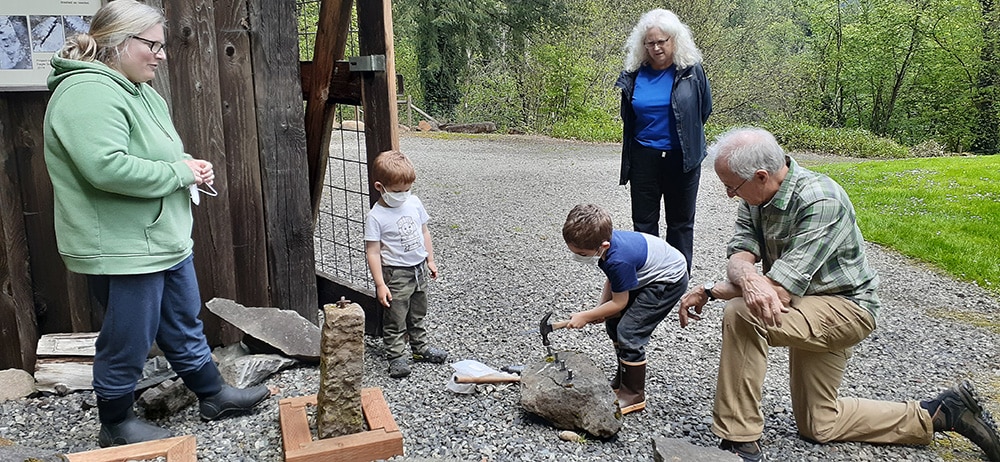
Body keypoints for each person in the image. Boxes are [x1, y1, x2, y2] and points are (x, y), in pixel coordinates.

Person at [678, 127, 1000, 462]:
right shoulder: (757, 197)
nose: (729, 195)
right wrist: (747, 276)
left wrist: (712, 290)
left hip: (846, 309)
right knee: (820, 425)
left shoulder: (821, 200)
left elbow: (777, 293)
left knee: (744, 313)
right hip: (806, 306)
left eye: (732, 186)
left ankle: (738, 441)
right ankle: (940, 413)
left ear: (761, 176)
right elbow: (740, 254)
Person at [43, 0, 270, 448]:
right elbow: (105, 167)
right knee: (128, 338)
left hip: (160, 238)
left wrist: (186, 163)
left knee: (183, 321)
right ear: (118, 43)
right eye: (153, 45)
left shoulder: (140, 89)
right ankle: (116, 423)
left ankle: (212, 394)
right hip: (123, 246)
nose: (161, 55)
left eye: (162, 46)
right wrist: (179, 174)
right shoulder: (87, 91)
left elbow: (155, 154)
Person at [562, 204, 688, 414]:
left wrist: (586, 315)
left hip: (667, 281)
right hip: (647, 273)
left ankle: (634, 394)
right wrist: (602, 309)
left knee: (630, 331)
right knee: (614, 322)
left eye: (582, 253)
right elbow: (613, 282)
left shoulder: (618, 259)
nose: (578, 256)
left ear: (603, 245)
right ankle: (623, 380)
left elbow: (619, 302)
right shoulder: (607, 250)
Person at [615, 8, 713, 274]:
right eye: (651, 43)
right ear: (642, 45)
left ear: (674, 40)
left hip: (682, 157)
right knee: (644, 222)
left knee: (680, 222)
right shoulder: (634, 73)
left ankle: (677, 277)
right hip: (644, 156)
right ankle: (649, 273)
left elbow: (703, 111)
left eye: (662, 41)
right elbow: (630, 117)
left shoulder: (692, 71)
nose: (657, 47)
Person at [364, 150, 448, 379]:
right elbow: (372, 251)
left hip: (419, 268)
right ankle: (396, 356)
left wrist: (430, 259)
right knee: (395, 316)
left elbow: (424, 231)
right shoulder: (376, 217)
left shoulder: (414, 202)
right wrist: (380, 284)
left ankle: (419, 349)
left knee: (418, 311)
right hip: (396, 273)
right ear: (380, 186)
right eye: (397, 191)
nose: (403, 195)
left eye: (407, 189)